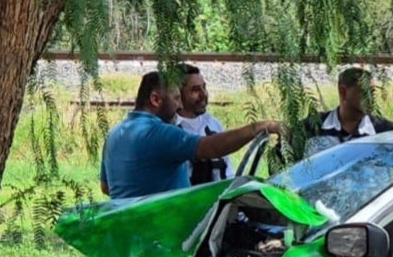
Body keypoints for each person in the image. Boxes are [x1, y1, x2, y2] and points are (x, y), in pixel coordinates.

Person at [100, 70, 280, 199]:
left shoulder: (114, 135)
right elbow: (211, 147)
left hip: (127, 233)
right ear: (155, 99)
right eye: (176, 99)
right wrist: (258, 127)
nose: (179, 106)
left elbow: (106, 187)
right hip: (164, 233)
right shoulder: (159, 134)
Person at [300, 68, 393, 148]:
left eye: (372, 93)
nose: (371, 99)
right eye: (364, 92)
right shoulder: (311, 128)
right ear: (343, 92)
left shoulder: (387, 132)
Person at [174, 64, 233, 185]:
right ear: (178, 94)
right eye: (195, 90)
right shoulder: (168, 129)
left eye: (204, 88)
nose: (203, 95)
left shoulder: (213, 124)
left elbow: (228, 172)